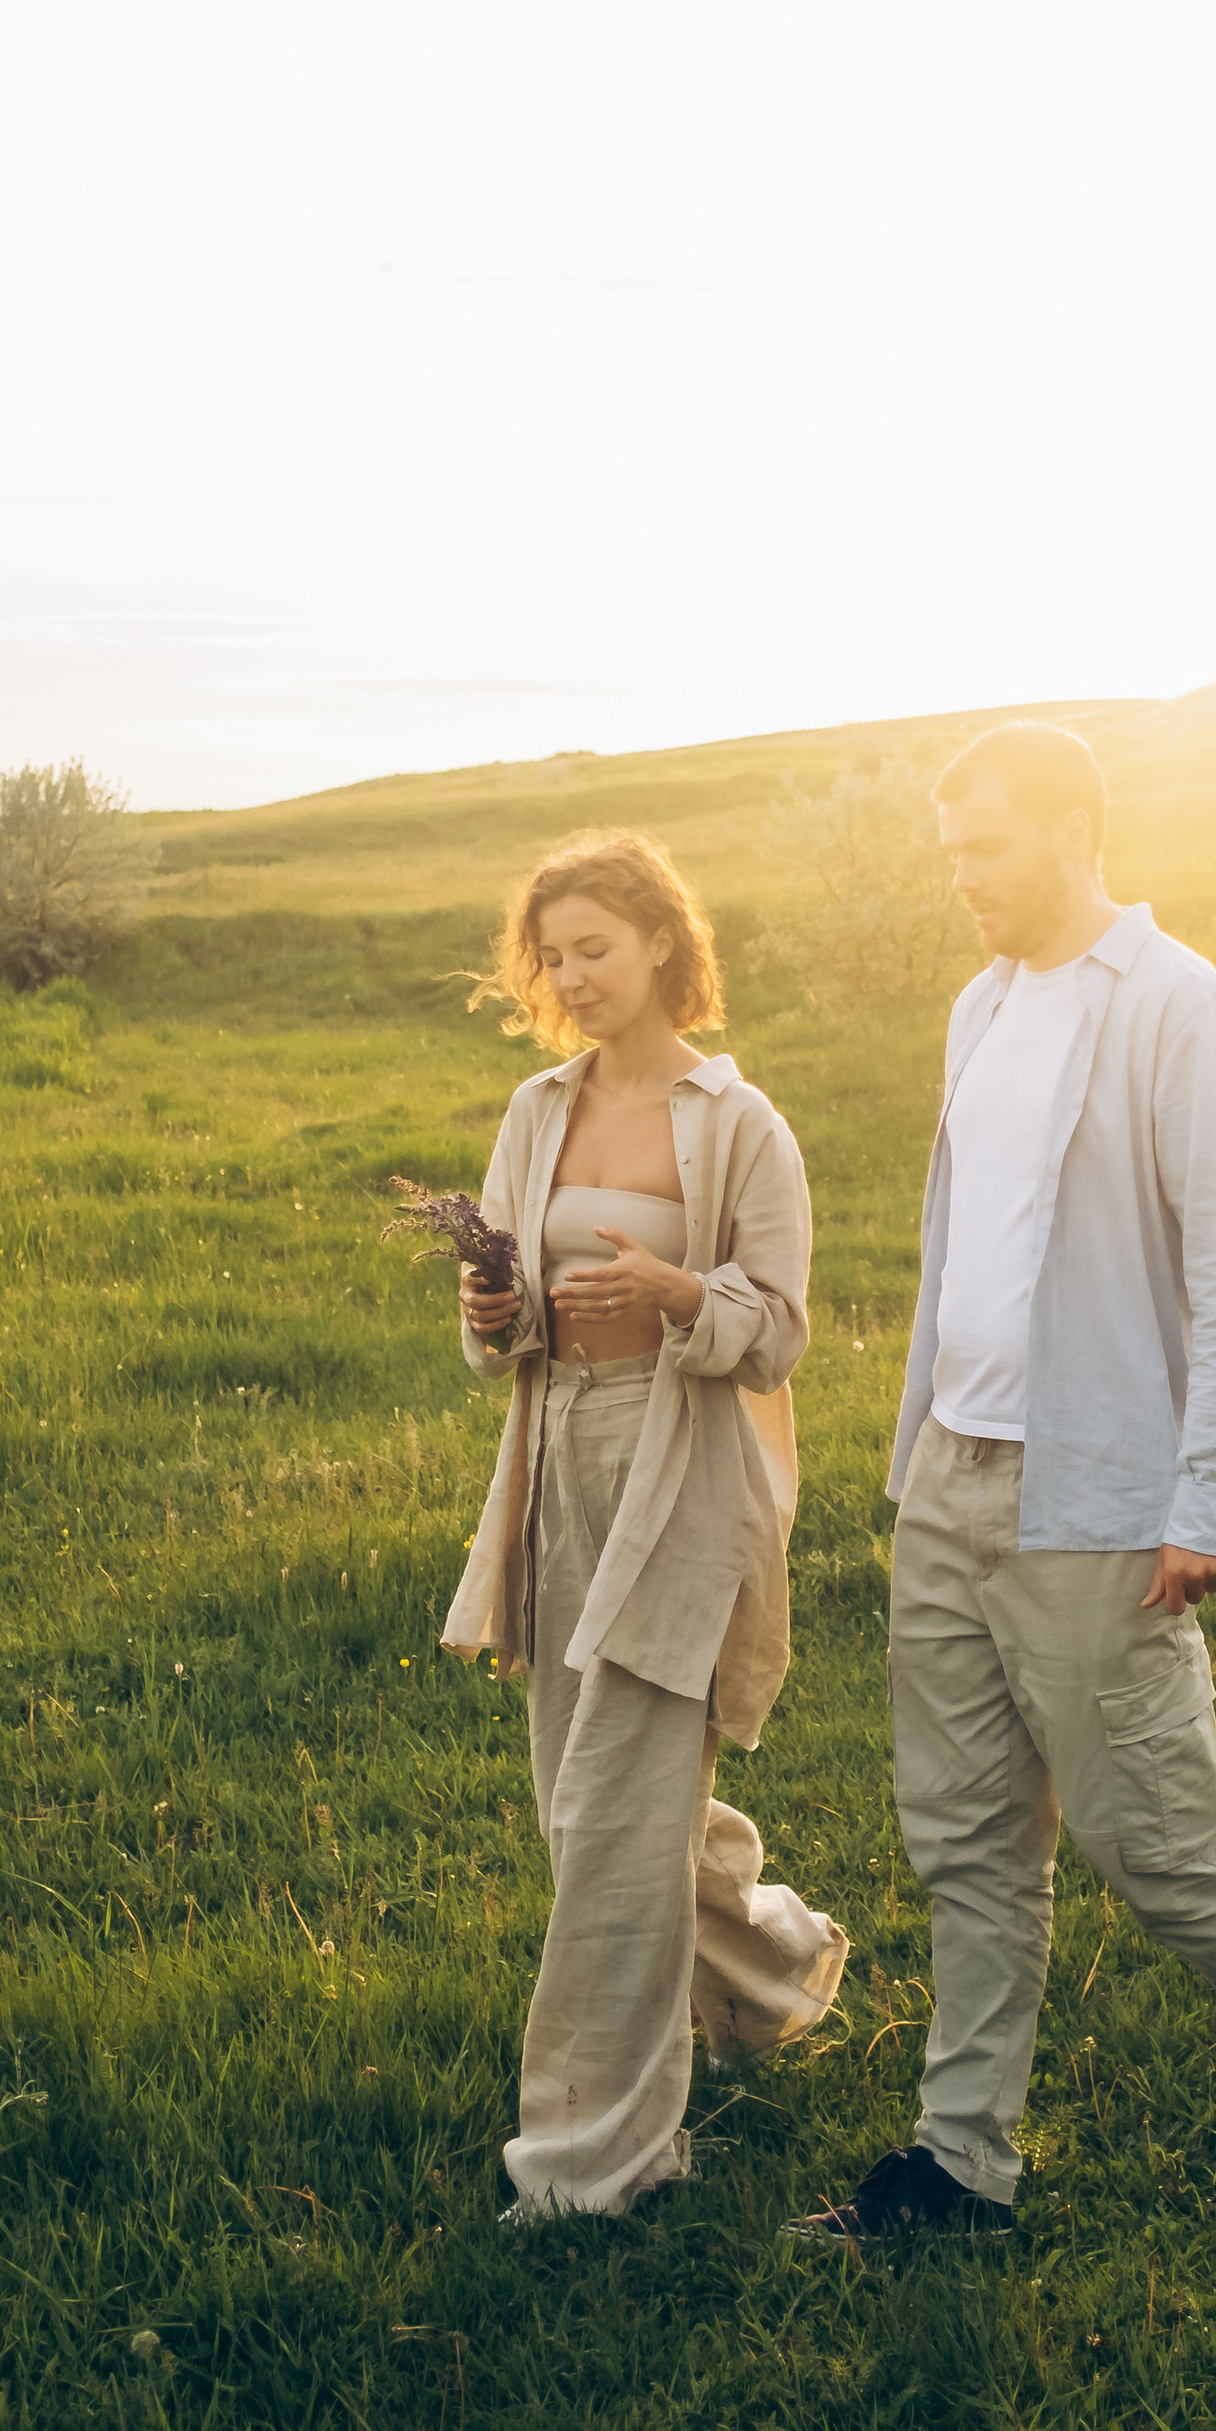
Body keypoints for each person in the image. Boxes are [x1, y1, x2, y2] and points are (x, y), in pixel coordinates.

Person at [791, 724, 1216, 2250]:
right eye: (952, 857)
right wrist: (919, 1454)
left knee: (1152, 1834)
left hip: (1099, 1496)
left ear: (1073, 829)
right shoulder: (979, 1008)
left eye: (985, 849)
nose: (963, 881)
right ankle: (961, 2169)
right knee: (971, 1844)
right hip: (951, 1483)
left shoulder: (1181, 1009)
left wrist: (1209, 1497)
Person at [442, 826, 848, 2221]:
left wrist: (678, 1297)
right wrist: (496, 1317)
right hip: (560, 1463)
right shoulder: (536, 1108)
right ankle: (774, 1967)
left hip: (684, 1473)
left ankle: (590, 2164)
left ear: (664, 945)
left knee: (613, 1814)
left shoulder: (741, 1123)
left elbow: (779, 1333)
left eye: (595, 949)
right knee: (592, 1804)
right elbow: (496, 1319)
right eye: (552, 955)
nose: (571, 976)